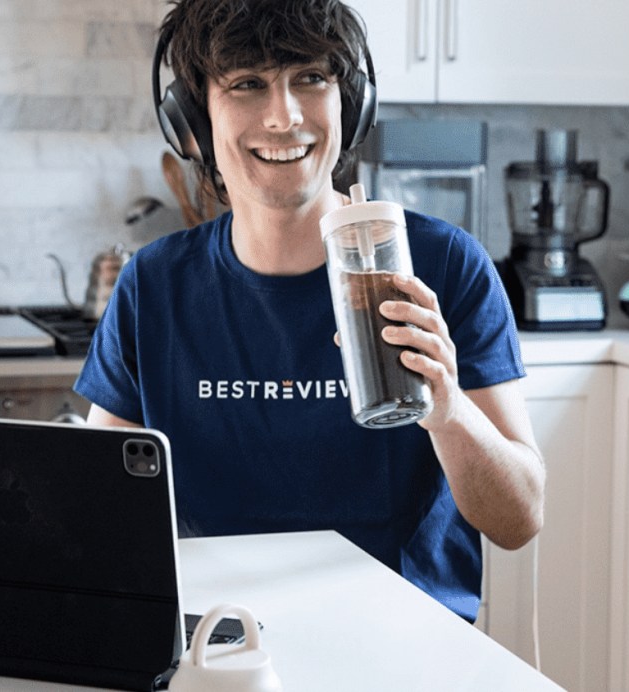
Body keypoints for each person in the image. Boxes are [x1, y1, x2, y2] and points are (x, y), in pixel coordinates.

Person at [74, 0, 544, 622]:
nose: (285, 116)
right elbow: (99, 509)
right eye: (247, 84)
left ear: (352, 103)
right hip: (218, 639)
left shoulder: (442, 264)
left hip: (406, 636)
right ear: (192, 121)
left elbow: (518, 522)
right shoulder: (154, 285)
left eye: (311, 79)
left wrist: (449, 411)